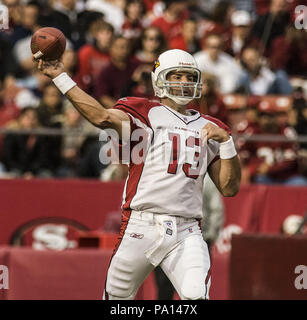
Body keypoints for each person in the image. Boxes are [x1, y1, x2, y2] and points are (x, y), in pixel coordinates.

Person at [34, 48, 241, 300]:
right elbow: (101, 117)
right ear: (159, 78)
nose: (184, 82)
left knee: (197, 297)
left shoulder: (213, 127)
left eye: (189, 77)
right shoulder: (145, 111)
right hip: (142, 223)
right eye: (176, 76)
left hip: (188, 229)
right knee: (117, 300)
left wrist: (227, 143)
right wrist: (60, 76)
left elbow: (229, 188)